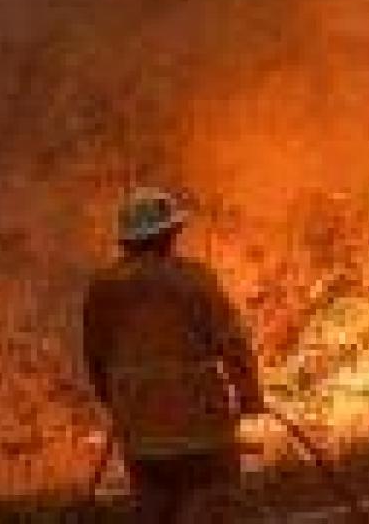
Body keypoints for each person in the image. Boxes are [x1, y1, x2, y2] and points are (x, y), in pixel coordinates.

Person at [82, 187, 266, 523]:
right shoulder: (193, 280)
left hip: (139, 436)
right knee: (212, 502)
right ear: (170, 234)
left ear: (126, 241)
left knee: (153, 508)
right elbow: (232, 343)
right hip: (202, 431)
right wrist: (250, 396)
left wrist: (117, 403)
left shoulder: (102, 289)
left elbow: (95, 357)